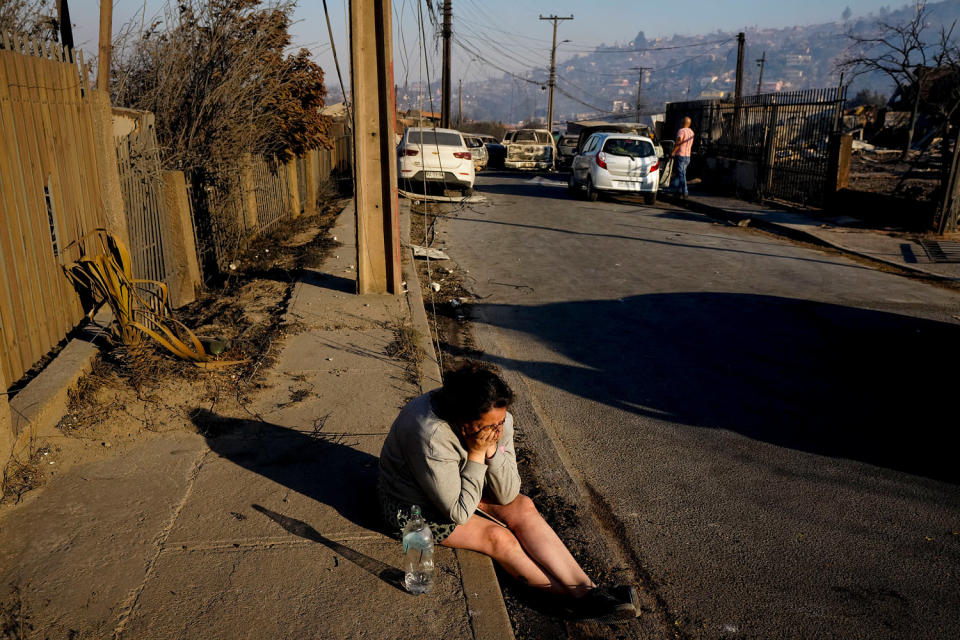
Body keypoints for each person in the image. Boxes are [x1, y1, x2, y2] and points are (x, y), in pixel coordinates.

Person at [378, 363, 637, 620]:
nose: (498, 431)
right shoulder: (431, 434)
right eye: (490, 426)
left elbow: (507, 494)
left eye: (501, 421)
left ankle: (590, 593)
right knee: (499, 538)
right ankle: (579, 602)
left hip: (461, 485)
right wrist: (478, 454)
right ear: (463, 422)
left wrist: (492, 451)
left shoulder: (499, 422)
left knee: (523, 507)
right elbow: (458, 513)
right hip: (414, 506)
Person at [669, 116, 695, 198]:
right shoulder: (692, 132)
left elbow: (678, 143)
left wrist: (673, 152)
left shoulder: (681, 131)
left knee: (681, 174)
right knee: (680, 173)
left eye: (681, 121)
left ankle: (685, 191)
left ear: (683, 123)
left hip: (680, 155)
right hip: (688, 156)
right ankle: (677, 191)